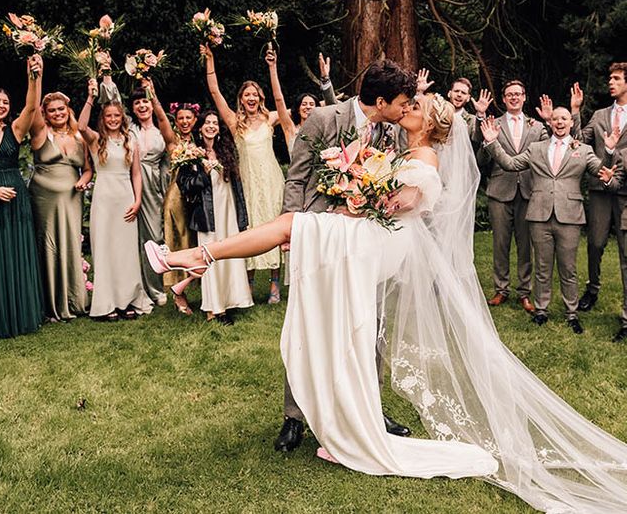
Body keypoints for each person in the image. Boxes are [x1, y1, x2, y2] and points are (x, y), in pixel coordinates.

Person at [146, 93, 627, 513]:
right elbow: (379, 196)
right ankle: (342, 421)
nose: (407, 108)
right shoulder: (404, 147)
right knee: (341, 313)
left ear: (430, 121)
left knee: (292, 226)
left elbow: (403, 201)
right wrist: (355, 188)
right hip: (372, 235)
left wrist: (362, 191)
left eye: (415, 107)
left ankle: (194, 257)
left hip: (382, 239)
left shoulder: (427, 158)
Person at [277, 58, 414, 451]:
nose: (405, 109)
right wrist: (292, 227)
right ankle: (294, 417)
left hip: (366, 240)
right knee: (308, 322)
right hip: (320, 236)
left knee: (369, 324)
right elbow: (298, 175)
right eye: (402, 102)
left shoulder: (390, 133)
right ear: (382, 99)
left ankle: (370, 408)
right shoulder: (322, 118)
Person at [481, 107, 618, 333]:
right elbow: (511, 164)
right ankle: (541, 309)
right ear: (550, 123)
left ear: (570, 123)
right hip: (539, 214)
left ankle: (571, 312)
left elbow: (599, 169)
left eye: (564, 118)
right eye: (555, 119)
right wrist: (492, 143)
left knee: (568, 267)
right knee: (542, 267)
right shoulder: (536, 148)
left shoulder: (583, 150)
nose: (560, 122)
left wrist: (610, 149)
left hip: (569, 215)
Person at [202, 44, 284, 303]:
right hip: (246, 182)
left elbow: (281, 100)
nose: (251, 98)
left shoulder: (271, 118)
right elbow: (215, 92)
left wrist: (272, 68)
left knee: (273, 228)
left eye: (255, 95)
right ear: (241, 99)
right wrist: (210, 61)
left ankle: (274, 284)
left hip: (270, 181)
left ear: (260, 98)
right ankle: (247, 282)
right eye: (246, 94)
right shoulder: (235, 123)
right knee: (247, 230)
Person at [0, 57, 45, 338]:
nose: (2, 106)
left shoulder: (14, 130)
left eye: (5, 102)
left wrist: (33, 76)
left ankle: (22, 314)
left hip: (15, 199)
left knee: (16, 254)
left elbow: (31, 106)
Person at [79, 80, 151, 320]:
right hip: (103, 199)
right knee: (105, 250)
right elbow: (80, 125)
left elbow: (137, 174)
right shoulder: (95, 139)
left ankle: (127, 300)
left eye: (116, 116)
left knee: (125, 251)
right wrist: (90, 98)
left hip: (125, 198)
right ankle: (107, 303)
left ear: (122, 117)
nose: (112, 119)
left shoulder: (131, 140)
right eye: (108, 116)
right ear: (103, 118)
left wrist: (138, 201)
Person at [173, 110, 252, 323]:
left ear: (218, 129)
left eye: (215, 123)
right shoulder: (191, 153)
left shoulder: (226, 151)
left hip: (229, 211)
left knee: (229, 255)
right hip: (207, 214)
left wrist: (241, 217)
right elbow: (185, 185)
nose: (211, 126)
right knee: (209, 258)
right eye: (207, 122)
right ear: (200, 127)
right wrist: (203, 174)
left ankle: (230, 301)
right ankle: (213, 309)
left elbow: (237, 187)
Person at [476, 80, 548, 313]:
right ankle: (501, 289)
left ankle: (524, 292)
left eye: (518, 94)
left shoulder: (536, 126)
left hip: (528, 190)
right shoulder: (492, 123)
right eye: (510, 95)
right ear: (504, 99)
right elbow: (481, 161)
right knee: (500, 243)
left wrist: (548, 120)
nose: (514, 98)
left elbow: (551, 150)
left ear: (524, 97)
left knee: (525, 243)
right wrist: (489, 141)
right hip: (500, 190)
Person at [570, 65, 627, 342]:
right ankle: (592, 290)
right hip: (600, 189)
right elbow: (579, 141)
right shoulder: (600, 115)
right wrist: (575, 111)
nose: (610, 83)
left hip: (626, 191)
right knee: (595, 243)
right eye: (609, 79)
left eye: (616, 78)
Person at [29, 91, 92, 321]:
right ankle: (49, 305)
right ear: (45, 114)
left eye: (61, 109)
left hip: (71, 199)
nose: (57, 113)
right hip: (43, 198)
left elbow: (87, 168)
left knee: (70, 244)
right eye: (52, 110)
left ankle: (73, 301)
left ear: (68, 110)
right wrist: (36, 75)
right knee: (47, 246)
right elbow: (32, 108)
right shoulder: (41, 133)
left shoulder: (79, 136)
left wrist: (84, 180)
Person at [142, 80, 199, 294]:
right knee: (177, 239)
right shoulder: (173, 141)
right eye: (181, 118)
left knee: (195, 241)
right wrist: (154, 98)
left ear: (195, 120)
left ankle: (197, 284)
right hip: (177, 197)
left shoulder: (201, 138)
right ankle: (177, 289)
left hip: (198, 196)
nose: (184, 121)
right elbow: (162, 119)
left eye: (188, 118)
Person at [129, 88, 169, 307]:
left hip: (152, 186)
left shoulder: (160, 128)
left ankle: (156, 288)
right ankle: (134, 286)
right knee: (130, 238)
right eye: (137, 103)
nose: (142, 106)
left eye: (145, 101)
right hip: (129, 183)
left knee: (154, 236)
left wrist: (151, 87)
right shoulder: (129, 128)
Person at [265, 49, 337, 157]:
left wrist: (325, 78)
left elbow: (333, 108)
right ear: (298, 109)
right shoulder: (290, 129)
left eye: (312, 105)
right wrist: (272, 67)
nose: (308, 107)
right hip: (296, 173)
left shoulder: (323, 130)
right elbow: (279, 100)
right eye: (304, 104)